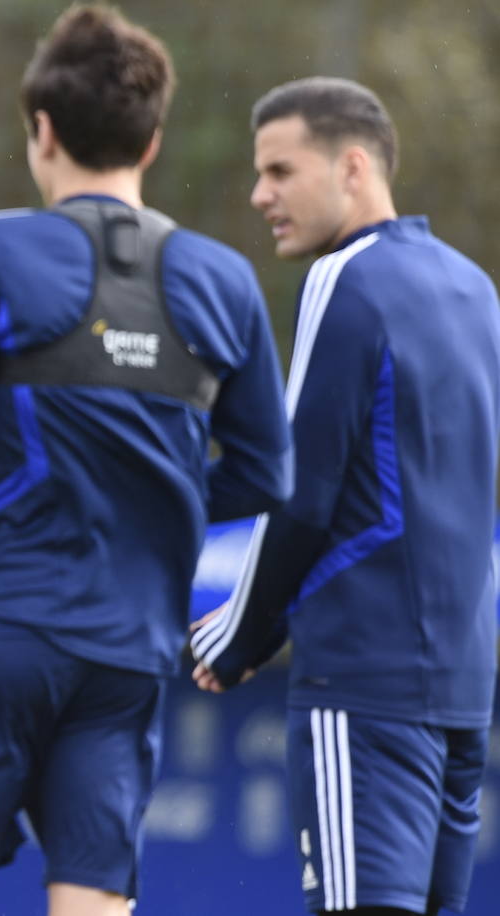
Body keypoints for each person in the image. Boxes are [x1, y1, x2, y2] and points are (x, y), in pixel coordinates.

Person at [0, 7, 293, 916]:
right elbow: (269, 474)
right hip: (129, 654)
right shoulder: (224, 277)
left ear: (42, 130)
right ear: (150, 145)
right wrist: (160, 501)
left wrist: (1, 500)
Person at [190, 77, 500, 916]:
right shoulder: (475, 288)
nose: (260, 195)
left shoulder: (345, 279)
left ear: (353, 165)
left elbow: (303, 489)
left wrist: (241, 634)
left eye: (281, 171)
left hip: (364, 688)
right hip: (463, 688)